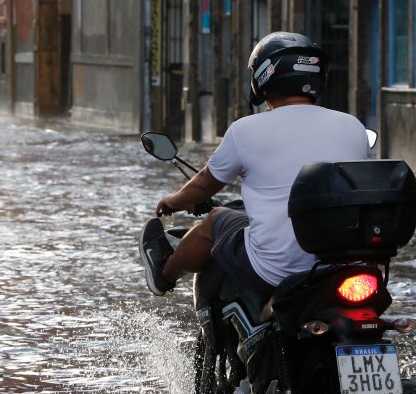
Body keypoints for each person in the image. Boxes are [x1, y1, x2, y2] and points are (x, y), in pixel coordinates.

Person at [139, 31, 370, 297]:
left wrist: (173, 201)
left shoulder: (245, 130)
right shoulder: (352, 126)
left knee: (215, 220)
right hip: (340, 265)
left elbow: (204, 184)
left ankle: (163, 274)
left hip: (275, 270)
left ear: (263, 77)